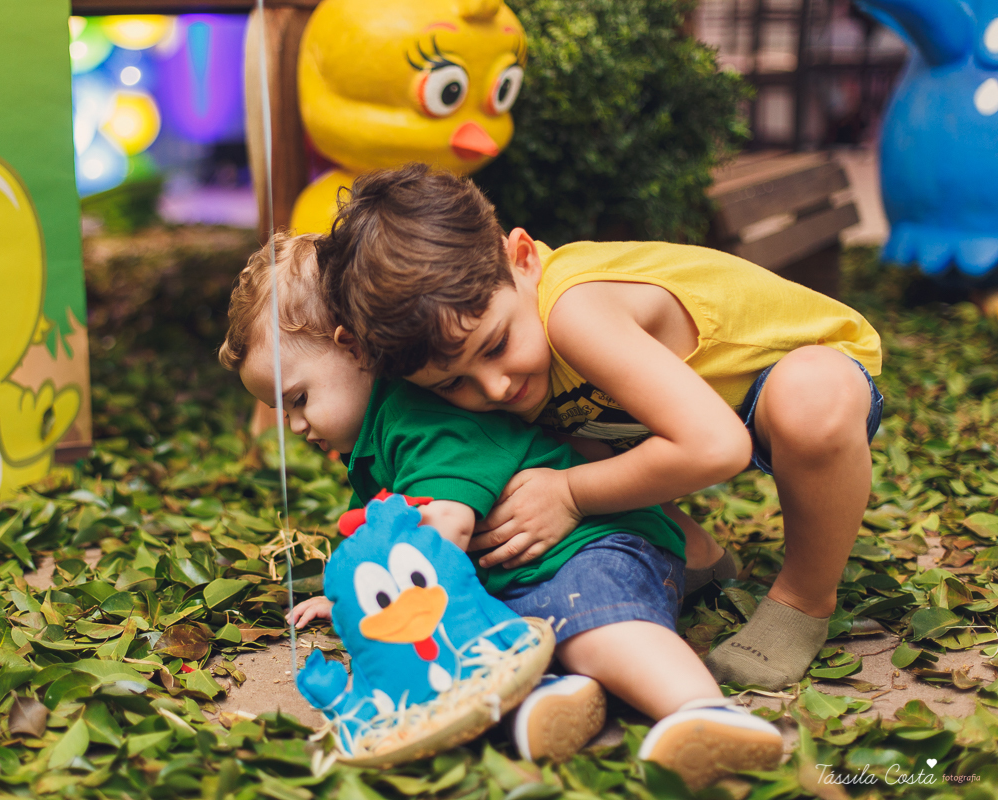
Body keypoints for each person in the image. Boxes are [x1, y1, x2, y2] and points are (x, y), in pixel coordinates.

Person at [217, 232, 783, 788]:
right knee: (511, 640)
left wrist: (386, 579)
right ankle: (556, 700)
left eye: (298, 399)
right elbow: (383, 533)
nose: (293, 425)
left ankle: (702, 710)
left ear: (354, 350)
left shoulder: (421, 417)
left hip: (592, 545)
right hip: (521, 571)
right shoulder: (370, 443)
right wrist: (357, 587)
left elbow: (443, 526)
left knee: (597, 624)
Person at [316, 164, 884, 692]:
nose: (493, 387)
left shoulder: (573, 310)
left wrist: (568, 493)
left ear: (521, 258)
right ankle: (698, 556)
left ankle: (804, 600)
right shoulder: (507, 350)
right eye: (451, 382)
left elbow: (718, 446)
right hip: (658, 415)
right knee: (530, 451)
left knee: (810, 398)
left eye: (495, 345)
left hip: (782, 381)